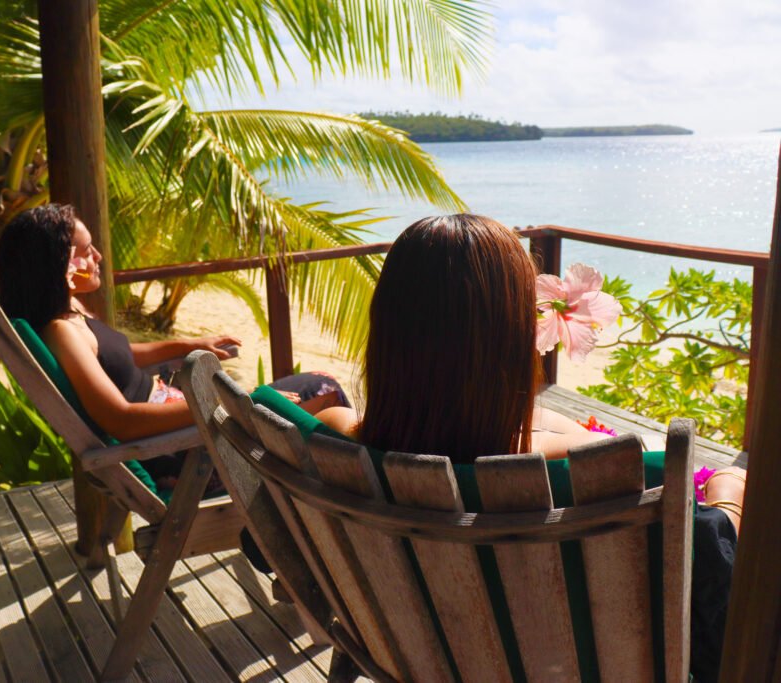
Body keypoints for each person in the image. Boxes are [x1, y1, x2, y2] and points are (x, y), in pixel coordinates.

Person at [312, 214, 744, 682]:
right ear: (512, 339)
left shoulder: (335, 438)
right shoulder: (601, 477)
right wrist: (728, 497)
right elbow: (714, 577)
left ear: (388, 328)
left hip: (421, 656)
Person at [0, 203, 349, 492]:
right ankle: (337, 507)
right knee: (326, 390)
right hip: (188, 454)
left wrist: (190, 343)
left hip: (190, 428)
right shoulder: (62, 331)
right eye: (85, 251)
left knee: (318, 400)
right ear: (59, 265)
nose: (98, 256)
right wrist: (238, 402)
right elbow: (122, 420)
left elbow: (120, 356)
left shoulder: (67, 315)